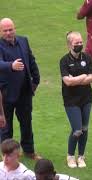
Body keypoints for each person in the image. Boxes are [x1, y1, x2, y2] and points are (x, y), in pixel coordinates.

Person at [0, 18, 41, 160]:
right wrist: (11, 65)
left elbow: (31, 60)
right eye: (5, 30)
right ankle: (7, 155)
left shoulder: (23, 41)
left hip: (24, 92)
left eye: (10, 29)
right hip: (6, 94)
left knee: (26, 123)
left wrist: (36, 80)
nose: (8, 32)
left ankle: (29, 151)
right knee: (6, 127)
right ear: (1, 31)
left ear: (14, 28)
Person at [60, 31, 92, 168]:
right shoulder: (64, 61)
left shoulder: (87, 58)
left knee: (85, 128)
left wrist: (75, 79)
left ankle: (81, 156)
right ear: (70, 44)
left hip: (86, 98)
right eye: (77, 43)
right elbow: (67, 82)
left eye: (81, 42)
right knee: (77, 129)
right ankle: (70, 156)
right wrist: (82, 77)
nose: (80, 45)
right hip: (71, 100)